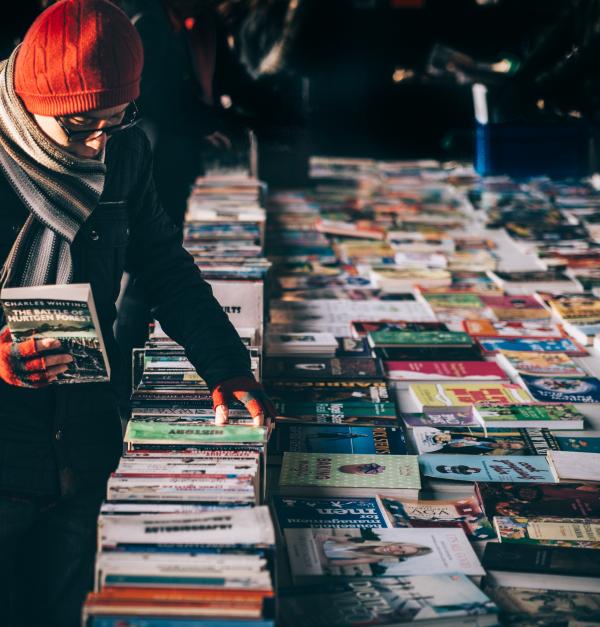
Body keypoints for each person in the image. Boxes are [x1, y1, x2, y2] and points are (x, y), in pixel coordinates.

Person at [0, 2, 274, 626]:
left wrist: (226, 366)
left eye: (116, 120)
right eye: (77, 127)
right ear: (26, 97)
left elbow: (165, 267)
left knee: (65, 609)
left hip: (84, 444)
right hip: (5, 453)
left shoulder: (123, 153)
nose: (98, 142)